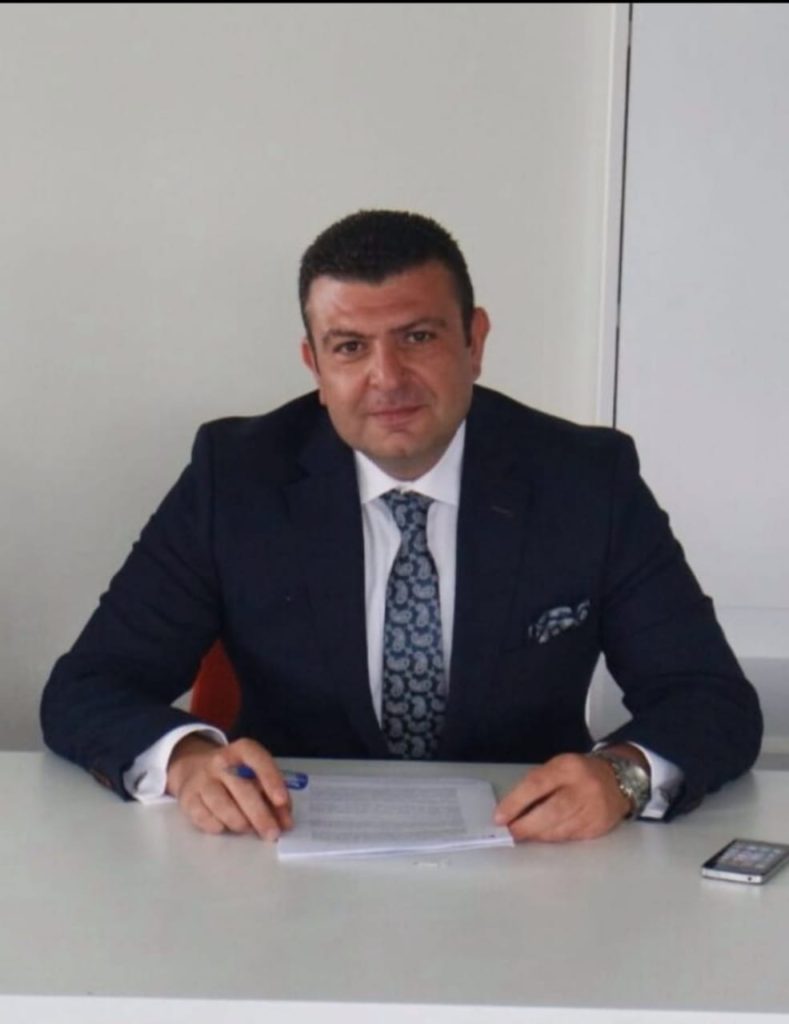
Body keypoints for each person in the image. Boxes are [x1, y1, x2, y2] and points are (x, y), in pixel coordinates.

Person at [40, 209, 762, 843]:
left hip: (528, 856)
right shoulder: (235, 478)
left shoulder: (585, 480)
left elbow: (710, 698)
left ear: (474, 341)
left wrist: (622, 776)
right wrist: (188, 761)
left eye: (417, 337)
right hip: (282, 856)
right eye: (349, 347)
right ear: (314, 364)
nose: (386, 378)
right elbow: (88, 687)